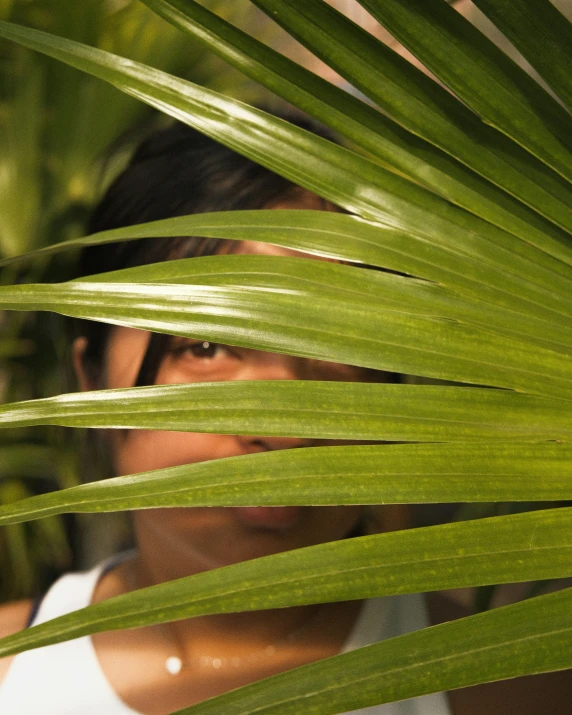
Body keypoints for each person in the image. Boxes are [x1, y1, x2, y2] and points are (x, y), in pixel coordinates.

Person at [0, 118, 569, 715]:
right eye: (207, 347)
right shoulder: (17, 675)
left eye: (337, 346)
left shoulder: (512, 688)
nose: (284, 423)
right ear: (90, 380)